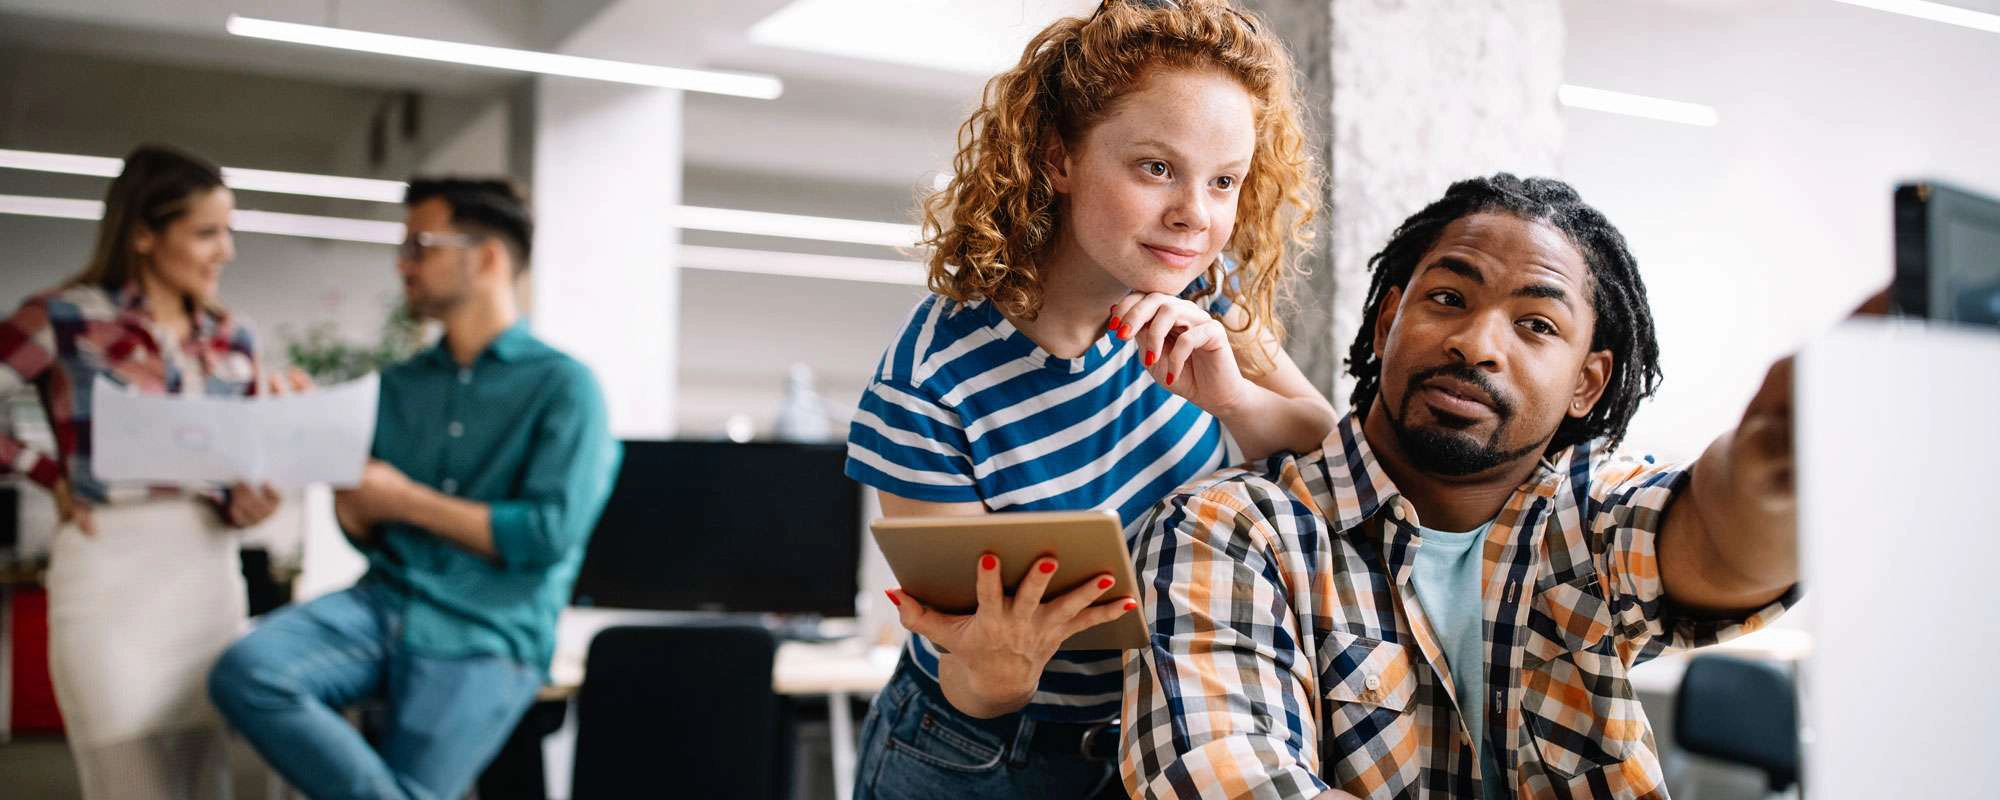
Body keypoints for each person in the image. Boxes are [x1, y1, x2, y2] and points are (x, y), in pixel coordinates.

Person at [1120, 174, 1820, 799]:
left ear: (1587, 384)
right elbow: (1226, 777)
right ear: (1389, 319)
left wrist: (1777, 452)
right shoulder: (1228, 530)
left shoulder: (1584, 518)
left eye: (1535, 325)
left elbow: (1719, 543)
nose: (1478, 343)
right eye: (1449, 298)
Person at [844, 1, 1335, 796]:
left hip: (1164, 732)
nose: (1195, 215)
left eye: (1224, 181)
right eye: (1155, 168)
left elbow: (1323, 445)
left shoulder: (1207, 294)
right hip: (976, 751)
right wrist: (1000, 673)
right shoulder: (930, 383)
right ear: (1058, 158)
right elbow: (968, 671)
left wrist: (1234, 397)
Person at [207, 177, 620, 800]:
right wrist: (324, 453)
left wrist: (403, 500)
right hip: (382, 605)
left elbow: (545, 535)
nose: (403, 264)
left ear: (486, 257)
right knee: (248, 672)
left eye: (420, 245)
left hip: (486, 628)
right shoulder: (398, 387)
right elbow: (365, 525)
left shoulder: (565, 388)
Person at [0, 143, 289, 798]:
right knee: (129, 783)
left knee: (205, 780)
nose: (226, 252)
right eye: (207, 232)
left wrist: (255, 499)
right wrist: (47, 472)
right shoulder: (62, 317)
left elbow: (247, 462)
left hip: (207, 575)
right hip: (108, 575)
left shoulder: (235, 336)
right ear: (143, 234)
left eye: (229, 232)